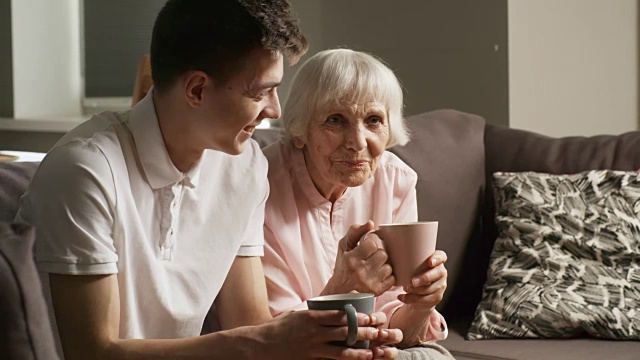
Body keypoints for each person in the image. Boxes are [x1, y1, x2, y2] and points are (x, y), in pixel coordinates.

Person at [16, 2, 401, 359]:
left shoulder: (244, 166)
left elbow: (249, 328)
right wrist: (265, 341)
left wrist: (337, 335)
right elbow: (92, 353)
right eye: (261, 91)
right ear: (197, 89)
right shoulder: (86, 171)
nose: (275, 109)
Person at [262, 49, 452, 354]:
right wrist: (341, 288)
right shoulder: (261, 186)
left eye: (374, 120)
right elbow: (269, 337)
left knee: (431, 355)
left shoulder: (396, 181)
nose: (357, 142)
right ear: (300, 130)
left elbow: (398, 328)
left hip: (370, 347)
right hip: (295, 352)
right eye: (336, 120)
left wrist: (420, 304)